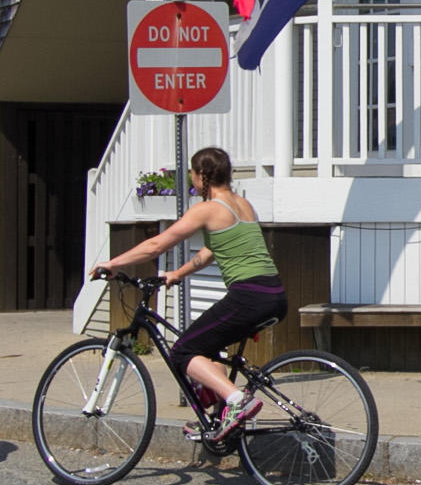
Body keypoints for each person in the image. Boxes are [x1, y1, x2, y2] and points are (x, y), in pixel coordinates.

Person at [90, 146, 282, 442]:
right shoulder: (243, 205)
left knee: (182, 351)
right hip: (273, 294)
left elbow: (156, 245)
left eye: (192, 173)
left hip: (247, 296)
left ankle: (236, 400)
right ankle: (220, 419)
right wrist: (177, 274)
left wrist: (112, 263)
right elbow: (211, 251)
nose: (191, 179)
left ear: (202, 175)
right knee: (206, 348)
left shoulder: (207, 209)